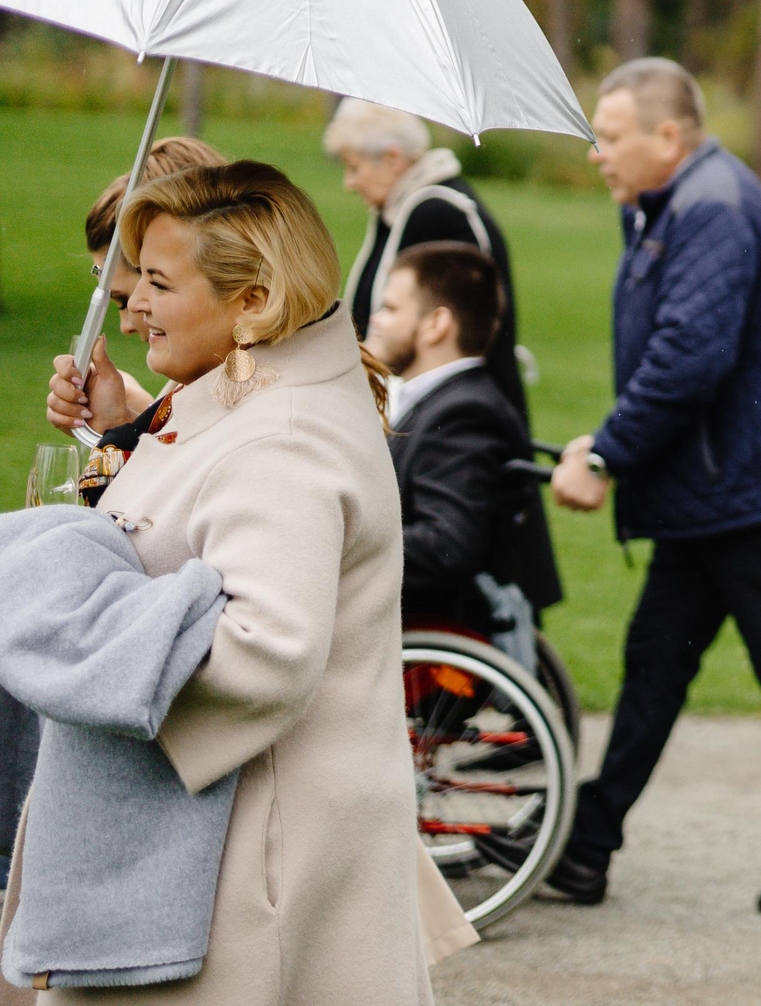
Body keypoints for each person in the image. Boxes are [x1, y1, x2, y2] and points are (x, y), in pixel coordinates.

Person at [28, 161, 475, 1001]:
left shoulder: (284, 437)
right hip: (255, 832)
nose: (133, 307)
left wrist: (71, 623)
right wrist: (125, 429)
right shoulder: (254, 390)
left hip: (252, 857)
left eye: (158, 282)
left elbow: (266, 648)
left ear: (252, 301)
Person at [542, 58, 761, 917]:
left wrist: (605, 456)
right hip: (718, 489)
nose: (598, 154)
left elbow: (688, 359)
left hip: (750, 490)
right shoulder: (674, 203)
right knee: (656, 665)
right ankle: (587, 850)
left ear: (669, 135)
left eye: (612, 136)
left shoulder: (713, 208)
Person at [366, 242, 563, 639]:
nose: (375, 321)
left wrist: (341, 546)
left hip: (414, 629)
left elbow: (447, 543)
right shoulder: (437, 399)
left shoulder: (463, 414)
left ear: (436, 324)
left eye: (390, 309)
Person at [44, 135, 227, 504]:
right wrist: (125, 422)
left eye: (127, 298)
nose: (128, 325)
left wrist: (119, 429)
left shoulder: (258, 403)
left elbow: (158, 526)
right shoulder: (204, 375)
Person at [325, 97, 528, 417]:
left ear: (393, 158)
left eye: (354, 168)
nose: (349, 184)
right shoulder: (396, 209)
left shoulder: (440, 212)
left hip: (453, 418)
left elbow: (460, 336)